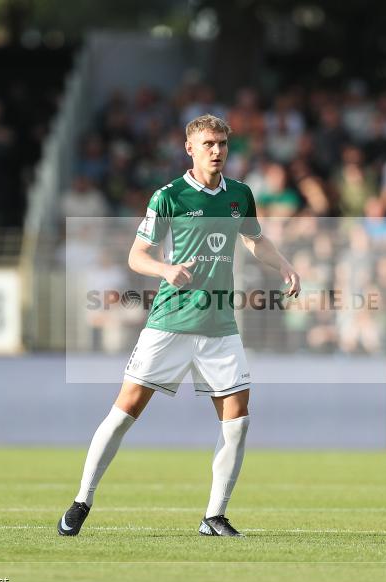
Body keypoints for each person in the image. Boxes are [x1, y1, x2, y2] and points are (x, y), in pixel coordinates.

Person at [58, 114, 301, 538]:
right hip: (170, 322)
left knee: (238, 419)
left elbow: (254, 237)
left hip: (220, 324)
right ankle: (81, 500)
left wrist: (283, 264)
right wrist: (166, 270)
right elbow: (137, 255)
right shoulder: (168, 196)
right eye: (208, 143)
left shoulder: (240, 195)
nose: (217, 150)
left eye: (223, 143)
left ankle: (214, 516)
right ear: (190, 148)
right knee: (124, 411)